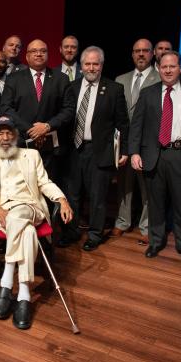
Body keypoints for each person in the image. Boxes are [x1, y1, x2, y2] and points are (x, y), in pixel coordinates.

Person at [0, 115, 73, 330]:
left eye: (9, 133)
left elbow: (44, 182)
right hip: (0, 214)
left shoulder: (31, 155)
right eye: (0, 133)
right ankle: (24, 292)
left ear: (16, 135)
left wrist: (61, 199)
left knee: (19, 217)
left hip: (29, 207)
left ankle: (6, 281)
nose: (5, 137)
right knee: (26, 232)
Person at [129, 51, 181, 264]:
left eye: (173, 66)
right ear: (158, 68)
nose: (168, 70)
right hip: (154, 156)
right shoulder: (148, 93)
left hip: (180, 155)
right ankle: (156, 242)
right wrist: (134, 151)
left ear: (180, 68)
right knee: (156, 204)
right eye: (164, 67)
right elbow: (137, 125)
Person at [61, 46, 129, 250]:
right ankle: (71, 232)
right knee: (71, 194)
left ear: (101, 65)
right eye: (87, 63)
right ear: (81, 66)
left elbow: (123, 122)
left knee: (98, 196)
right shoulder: (71, 87)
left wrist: (124, 150)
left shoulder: (114, 89)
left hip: (99, 151)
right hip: (73, 149)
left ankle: (95, 235)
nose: (91, 67)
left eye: (95, 63)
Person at [0, 38, 74, 183]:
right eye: (34, 51)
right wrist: (31, 130)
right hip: (22, 143)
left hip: (52, 147)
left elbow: (69, 109)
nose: (39, 54)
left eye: (43, 51)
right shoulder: (14, 79)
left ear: (48, 55)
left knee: (49, 188)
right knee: (22, 187)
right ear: (27, 56)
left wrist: (46, 126)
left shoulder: (62, 79)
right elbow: (6, 108)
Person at [112, 38, 161, 245]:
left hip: (147, 143)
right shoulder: (120, 79)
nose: (141, 54)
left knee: (147, 187)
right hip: (123, 143)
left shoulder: (161, 78)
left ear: (152, 54)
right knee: (124, 184)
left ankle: (147, 226)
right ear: (132, 54)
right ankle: (123, 221)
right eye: (137, 51)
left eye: (145, 51)